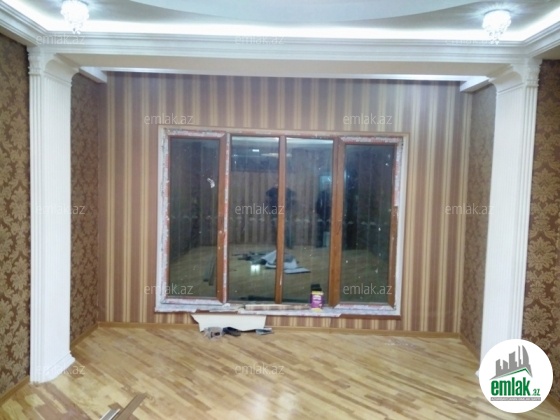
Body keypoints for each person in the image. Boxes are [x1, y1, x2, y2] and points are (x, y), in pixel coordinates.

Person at [265, 182, 295, 248]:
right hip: (274, 210)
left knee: (287, 228)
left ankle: (289, 244)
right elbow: (267, 194)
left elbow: (293, 196)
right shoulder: (273, 191)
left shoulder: (288, 192)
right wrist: (274, 188)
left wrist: (286, 188)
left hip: (285, 211)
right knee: (276, 227)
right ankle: (278, 244)